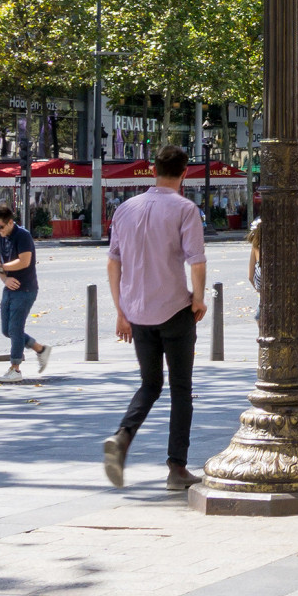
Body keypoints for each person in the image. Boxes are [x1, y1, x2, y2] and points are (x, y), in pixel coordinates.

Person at [102, 145, 209, 490]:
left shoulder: (125, 209)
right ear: (185, 172)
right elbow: (196, 260)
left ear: (153, 170)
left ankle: (123, 436)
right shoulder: (185, 208)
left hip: (137, 313)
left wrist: (121, 311)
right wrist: (199, 299)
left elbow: (113, 262)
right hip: (175, 309)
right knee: (181, 389)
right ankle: (177, 468)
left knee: (150, 384)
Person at [0, 203, 46, 382]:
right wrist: (4, 278)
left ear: (10, 222)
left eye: (0, 226)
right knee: (7, 330)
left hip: (26, 288)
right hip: (9, 286)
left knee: (15, 328)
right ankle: (40, 349)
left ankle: (15, 368)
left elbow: (24, 261)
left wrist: (2, 267)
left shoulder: (23, 236)